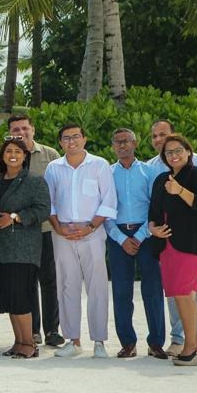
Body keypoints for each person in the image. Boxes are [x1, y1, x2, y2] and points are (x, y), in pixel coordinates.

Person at [43, 123, 115, 357]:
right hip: (62, 234)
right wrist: (58, 227)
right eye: (66, 138)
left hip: (92, 233)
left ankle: (99, 342)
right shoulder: (53, 167)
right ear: (61, 142)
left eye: (76, 137)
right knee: (67, 286)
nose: (71, 141)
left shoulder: (99, 165)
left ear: (84, 139)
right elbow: (49, 202)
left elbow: (109, 200)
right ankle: (73, 341)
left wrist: (90, 227)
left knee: (97, 287)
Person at [146, 133, 197, 367]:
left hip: (194, 243)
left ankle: (192, 347)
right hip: (168, 246)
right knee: (183, 295)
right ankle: (193, 344)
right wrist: (152, 229)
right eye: (168, 152)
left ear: (188, 152)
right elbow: (153, 212)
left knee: (185, 294)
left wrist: (180, 191)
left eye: (177, 151)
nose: (173, 155)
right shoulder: (160, 179)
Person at [0, 139, 52, 359]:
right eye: (8, 151)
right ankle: (18, 341)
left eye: (17, 152)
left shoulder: (34, 181)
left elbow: (42, 210)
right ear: (2, 156)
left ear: (25, 156)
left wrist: (15, 218)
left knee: (22, 296)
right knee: (10, 298)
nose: (12, 155)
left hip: (23, 248)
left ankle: (29, 344)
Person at [106, 127, 167, 359]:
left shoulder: (149, 172)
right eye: (118, 142)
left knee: (152, 290)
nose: (122, 145)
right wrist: (121, 239)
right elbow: (105, 209)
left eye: (126, 141)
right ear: (113, 146)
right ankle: (128, 343)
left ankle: (156, 343)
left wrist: (140, 235)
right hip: (118, 235)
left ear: (135, 143)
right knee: (121, 291)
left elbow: (156, 206)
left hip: (146, 234)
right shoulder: (108, 174)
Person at [9, 113, 64, 347]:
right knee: (27, 282)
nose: (20, 133)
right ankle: (33, 331)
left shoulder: (50, 155)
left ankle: (52, 330)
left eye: (24, 128)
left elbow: (60, 191)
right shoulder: (6, 155)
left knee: (49, 280)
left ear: (33, 129)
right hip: (19, 232)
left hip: (45, 228)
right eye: (15, 130)